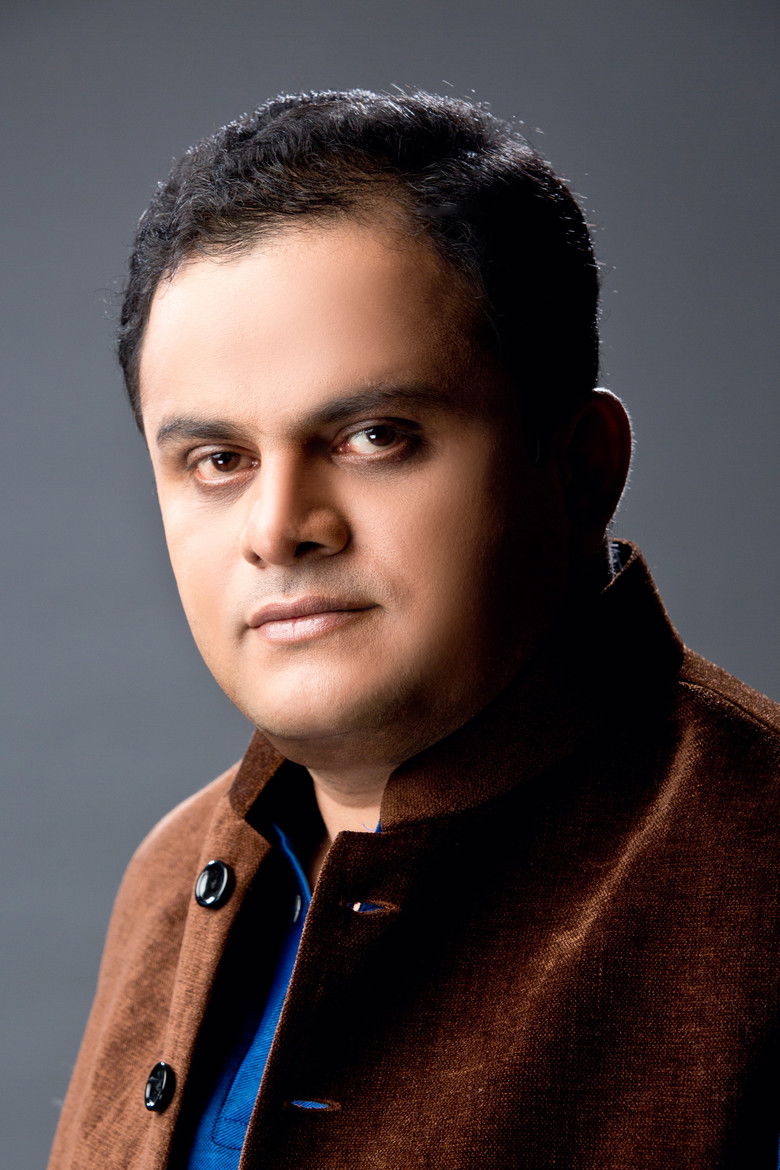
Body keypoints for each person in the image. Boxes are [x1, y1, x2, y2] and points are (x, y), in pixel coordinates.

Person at [47, 89, 778, 1169]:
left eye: (375, 436)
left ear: (582, 467)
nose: (278, 528)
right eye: (218, 460)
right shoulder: (169, 879)